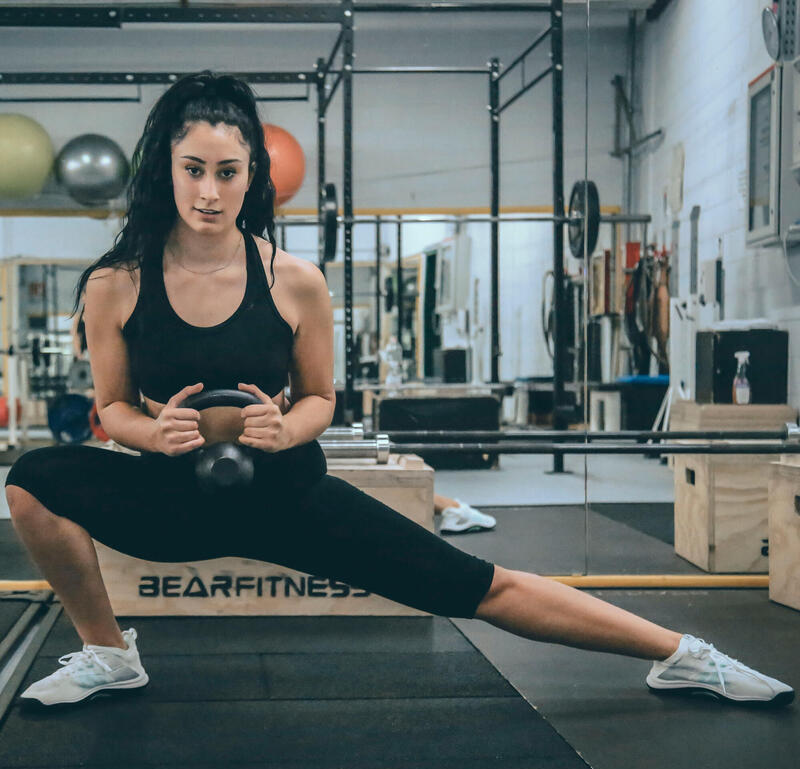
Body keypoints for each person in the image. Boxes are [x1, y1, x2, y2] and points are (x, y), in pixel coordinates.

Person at [5, 71, 792, 709]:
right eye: (192, 170)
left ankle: (687, 656)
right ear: (165, 172)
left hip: (287, 495)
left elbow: (322, 400)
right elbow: (109, 407)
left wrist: (288, 427)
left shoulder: (296, 281)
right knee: (34, 481)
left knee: (480, 588)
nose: (209, 191)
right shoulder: (116, 284)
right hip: (174, 500)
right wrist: (151, 434)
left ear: (254, 176)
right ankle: (109, 653)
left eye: (228, 172)